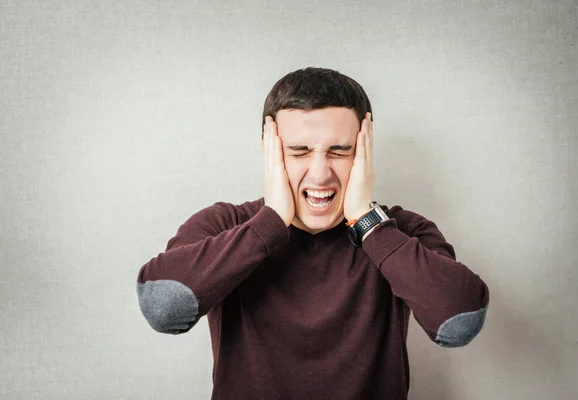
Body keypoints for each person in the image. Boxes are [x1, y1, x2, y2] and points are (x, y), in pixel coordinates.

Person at [136, 67, 489, 399]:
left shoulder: (400, 233)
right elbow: (163, 309)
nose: (320, 174)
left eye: (340, 151)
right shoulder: (226, 225)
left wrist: (368, 224)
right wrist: (270, 222)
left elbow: (459, 323)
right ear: (269, 150)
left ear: (364, 153)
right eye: (299, 151)